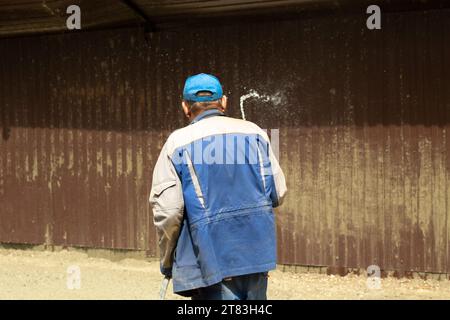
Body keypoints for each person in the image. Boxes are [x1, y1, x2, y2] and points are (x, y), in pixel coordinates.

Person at [149, 73, 287, 300]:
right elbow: (278, 192)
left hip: (209, 259)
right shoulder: (255, 133)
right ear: (223, 102)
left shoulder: (177, 143)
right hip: (256, 255)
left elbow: (169, 211)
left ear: (185, 107)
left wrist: (166, 259)